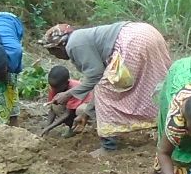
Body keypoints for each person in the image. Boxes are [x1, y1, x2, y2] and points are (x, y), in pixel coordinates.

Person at [46, 20, 173, 152]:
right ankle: (168, 127)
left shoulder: (73, 45)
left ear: (58, 47)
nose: (55, 56)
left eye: (52, 52)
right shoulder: (83, 38)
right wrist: (86, 114)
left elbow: (96, 77)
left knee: (104, 89)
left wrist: (68, 94)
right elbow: (98, 76)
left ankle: (108, 145)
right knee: (156, 86)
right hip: (148, 33)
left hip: (132, 42)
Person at [39, 64, 89, 136]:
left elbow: (68, 114)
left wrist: (49, 128)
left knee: (80, 110)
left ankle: (84, 128)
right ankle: (72, 128)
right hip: (72, 108)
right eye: (52, 87)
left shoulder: (75, 88)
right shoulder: (54, 88)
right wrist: (47, 127)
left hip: (88, 108)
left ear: (67, 83)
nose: (55, 90)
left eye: (57, 88)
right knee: (55, 106)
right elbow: (52, 109)